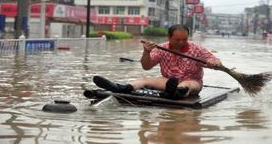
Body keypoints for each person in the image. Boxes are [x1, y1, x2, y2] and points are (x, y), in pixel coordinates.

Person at [93, 24, 222, 100]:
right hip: (168, 81)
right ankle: (123, 88)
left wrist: (213, 62)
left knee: (187, 84)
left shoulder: (196, 48)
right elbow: (146, 66)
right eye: (177, 40)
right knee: (145, 79)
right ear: (169, 37)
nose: (181, 43)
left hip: (192, 82)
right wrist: (146, 52)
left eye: (184, 40)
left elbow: (213, 59)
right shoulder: (162, 48)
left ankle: (175, 93)